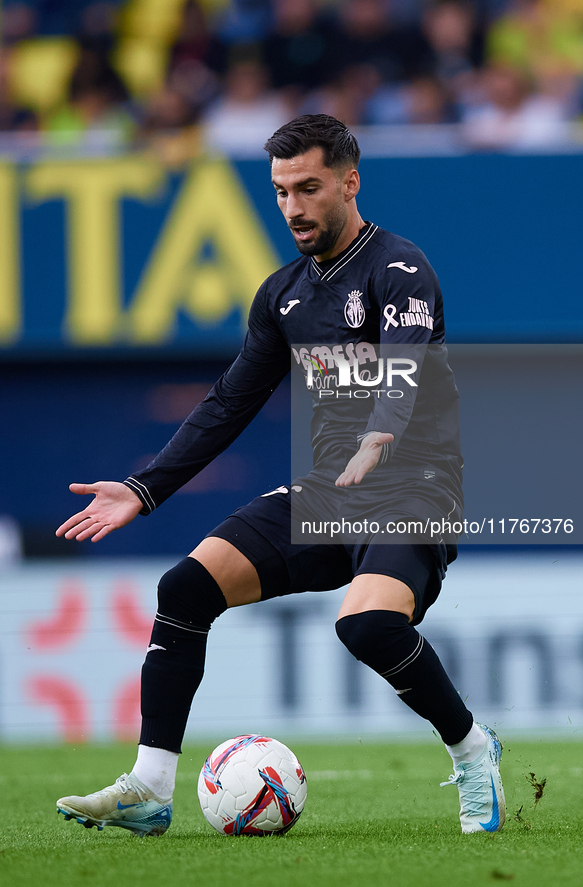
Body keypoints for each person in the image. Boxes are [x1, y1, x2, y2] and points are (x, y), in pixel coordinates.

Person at [55, 114, 505, 838]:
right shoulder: (281, 295)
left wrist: (377, 438)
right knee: (185, 588)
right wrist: (145, 487)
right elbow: (230, 399)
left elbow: (407, 366)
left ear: (349, 182)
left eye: (308, 187)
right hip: (328, 491)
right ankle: (149, 785)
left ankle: (472, 747)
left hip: (410, 489)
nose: (293, 206)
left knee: (365, 625)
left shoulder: (399, 267)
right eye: (279, 191)